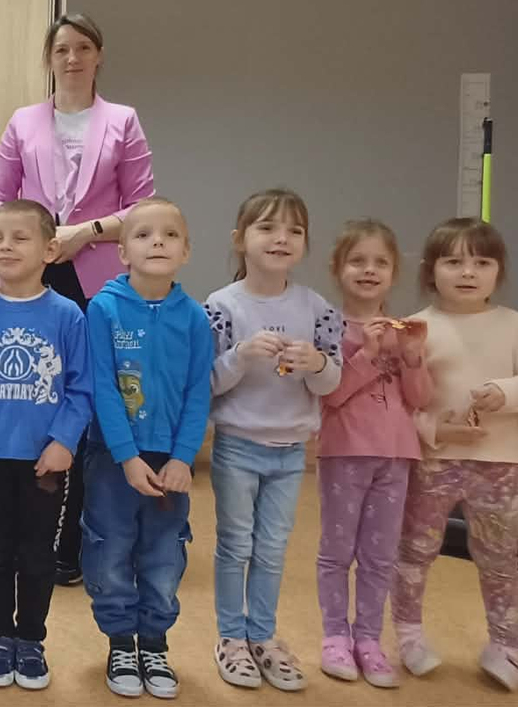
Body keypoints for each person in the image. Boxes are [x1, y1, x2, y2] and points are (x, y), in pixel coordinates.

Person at [0, 13, 156, 587]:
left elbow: (143, 209)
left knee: (88, 402)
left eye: (83, 47)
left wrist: (86, 232)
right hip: (34, 275)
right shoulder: (24, 121)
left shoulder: (123, 121)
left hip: (97, 276)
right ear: (50, 57)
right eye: (62, 49)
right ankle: (29, 527)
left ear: (98, 55)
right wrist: (26, 238)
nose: (73, 58)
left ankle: (73, 540)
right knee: (34, 397)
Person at [392, 218, 518, 691]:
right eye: (454, 261)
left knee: (499, 557)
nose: (468, 272)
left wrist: (506, 392)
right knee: (414, 551)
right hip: (432, 462)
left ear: (498, 271)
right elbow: (399, 407)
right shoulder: (415, 328)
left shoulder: (514, 325)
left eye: (482, 262)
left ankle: (505, 644)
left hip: (499, 465)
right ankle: (408, 635)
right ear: (430, 270)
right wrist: (434, 431)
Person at [203, 188, 343, 694]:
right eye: (267, 227)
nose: (281, 238)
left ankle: (262, 634)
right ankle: (230, 637)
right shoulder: (221, 305)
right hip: (237, 445)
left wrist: (318, 363)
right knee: (236, 544)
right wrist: (240, 356)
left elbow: (330, 384)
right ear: (240, 239)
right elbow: (208, 383)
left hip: (291, 451)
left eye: (294, 230)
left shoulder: (317, 307)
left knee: (272, 548)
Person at [0, 200, 91, 690]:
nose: (5, 246)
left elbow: (81, 388)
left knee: (37, 554)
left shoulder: (68, 316)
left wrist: (64, 441)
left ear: (50, 250)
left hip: (44, 462)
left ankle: (30, 639)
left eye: (19, 238)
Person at [78, 196, 213, 699]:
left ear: (186, 251)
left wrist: (183, 458)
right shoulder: (103, 309)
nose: (157, 242)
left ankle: (153, 642)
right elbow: (103, 387)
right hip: (114, 458)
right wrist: (127, 457)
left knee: (163, 554)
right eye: (143, 234)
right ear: (122, 252)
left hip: (171, 461)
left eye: (170, 234)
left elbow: (198, 393)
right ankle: (120, 641)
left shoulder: (194, 318)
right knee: (109, 549)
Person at [315, 219, 430, 689]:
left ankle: (369, 639)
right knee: (337, 551)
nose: (369, 270)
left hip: (397, 455)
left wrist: (414, 358)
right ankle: (334, 637)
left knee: (380, 556)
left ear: (394, 272)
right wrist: (365, 352)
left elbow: (419, 399)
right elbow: (330, 394)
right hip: (344, 452)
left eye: (380, 262)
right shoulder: (329, 326)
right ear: (337, 268)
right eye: (357, 261)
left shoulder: (406, 330)